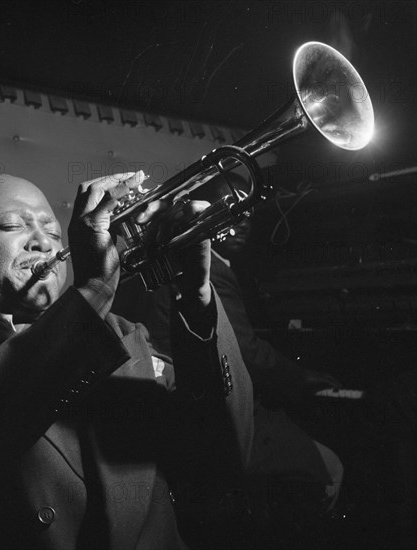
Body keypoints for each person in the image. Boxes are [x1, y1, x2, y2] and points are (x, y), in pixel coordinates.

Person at [0, 172, 254, 550]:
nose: (43, 244)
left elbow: (220, 454)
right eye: (12, 225)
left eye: (54, 233)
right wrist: (92, 290)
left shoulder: (122, 334)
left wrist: (196, 296)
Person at [112, 174, 344, 521]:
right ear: (203, 212)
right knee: (332, 468)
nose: (242, 219)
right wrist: (309, 382)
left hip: (165, 411)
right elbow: (248, 354)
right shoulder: (207, 268)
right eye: (229, 207)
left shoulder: (152, 265)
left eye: (246, 209)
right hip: (204, 418)